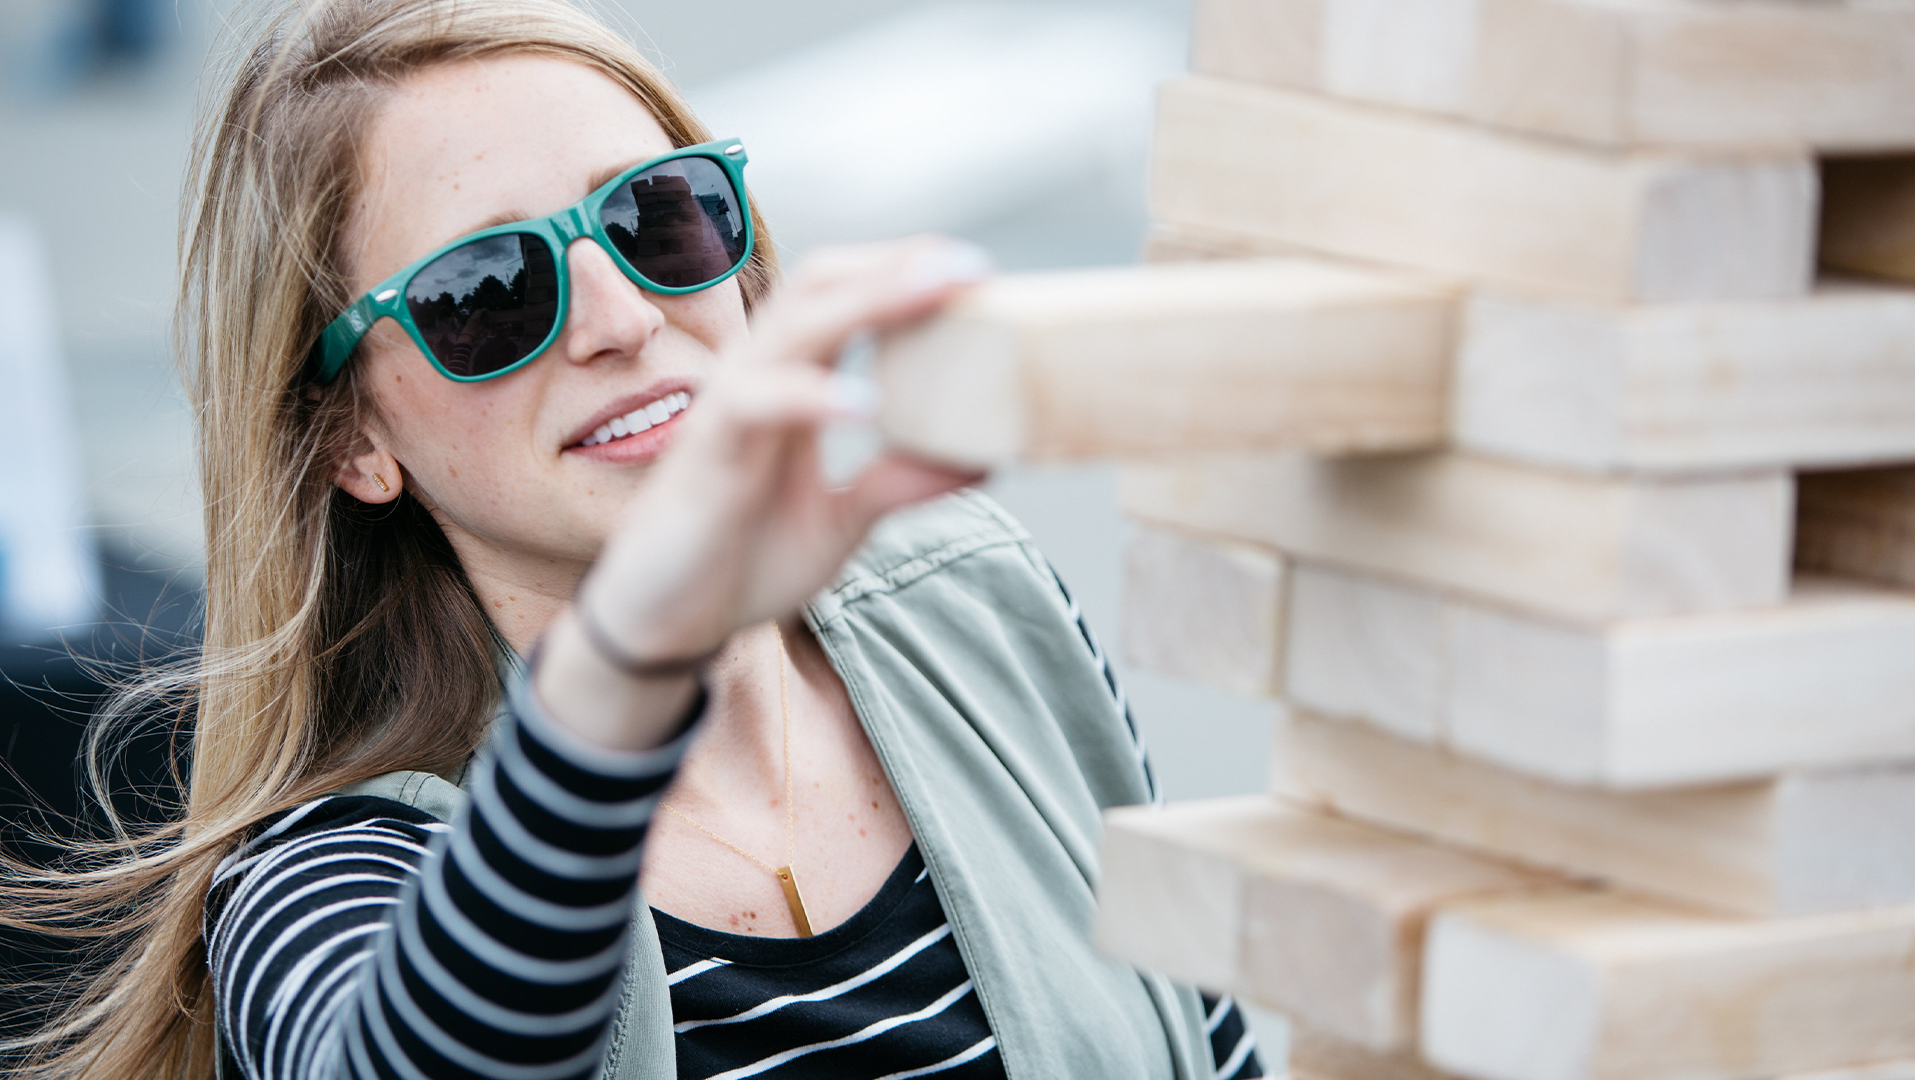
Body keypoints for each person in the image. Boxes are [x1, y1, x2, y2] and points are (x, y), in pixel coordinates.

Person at [3, 1, 1266, 1078]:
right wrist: (640, 654)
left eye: (658, 218)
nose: (618, 315)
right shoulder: (322, 883)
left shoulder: (975, 595)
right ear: (352, 442)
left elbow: (1199, 1039)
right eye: (484, 293)